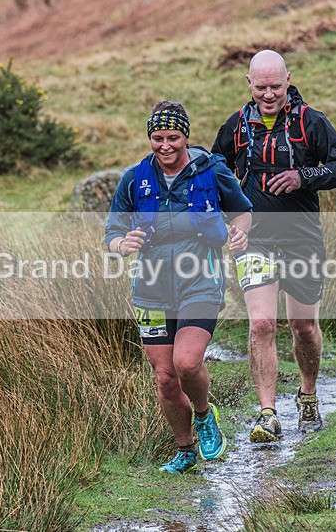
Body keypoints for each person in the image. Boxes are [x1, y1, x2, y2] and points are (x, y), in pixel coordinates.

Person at [212, 50, 336, 442]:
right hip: (255, 241)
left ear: (288, 80)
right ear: (248, 83)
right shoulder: (238, 126)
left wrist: (303, 176)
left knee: (304, 327)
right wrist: (228, 224)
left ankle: (307, 396)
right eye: (261, 87)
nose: (269, 94)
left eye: (276, 86)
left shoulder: (312, 121)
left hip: (302, 238)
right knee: (261, 324)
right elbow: (214, 174)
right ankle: (268, 414)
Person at [105, 101, 252, 473]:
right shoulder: (134, 178)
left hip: (200, 282)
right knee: (166, 378)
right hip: (150, 289)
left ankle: (204, 416)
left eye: (173, 137)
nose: (165, 145)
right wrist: (122, 245)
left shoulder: (211, 170)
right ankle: (185, 451)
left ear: (186, 136)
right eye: (157, 138)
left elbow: (243, 211)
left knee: (186, 363)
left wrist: (240, 234)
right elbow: (112, 232)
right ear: (150, 138)